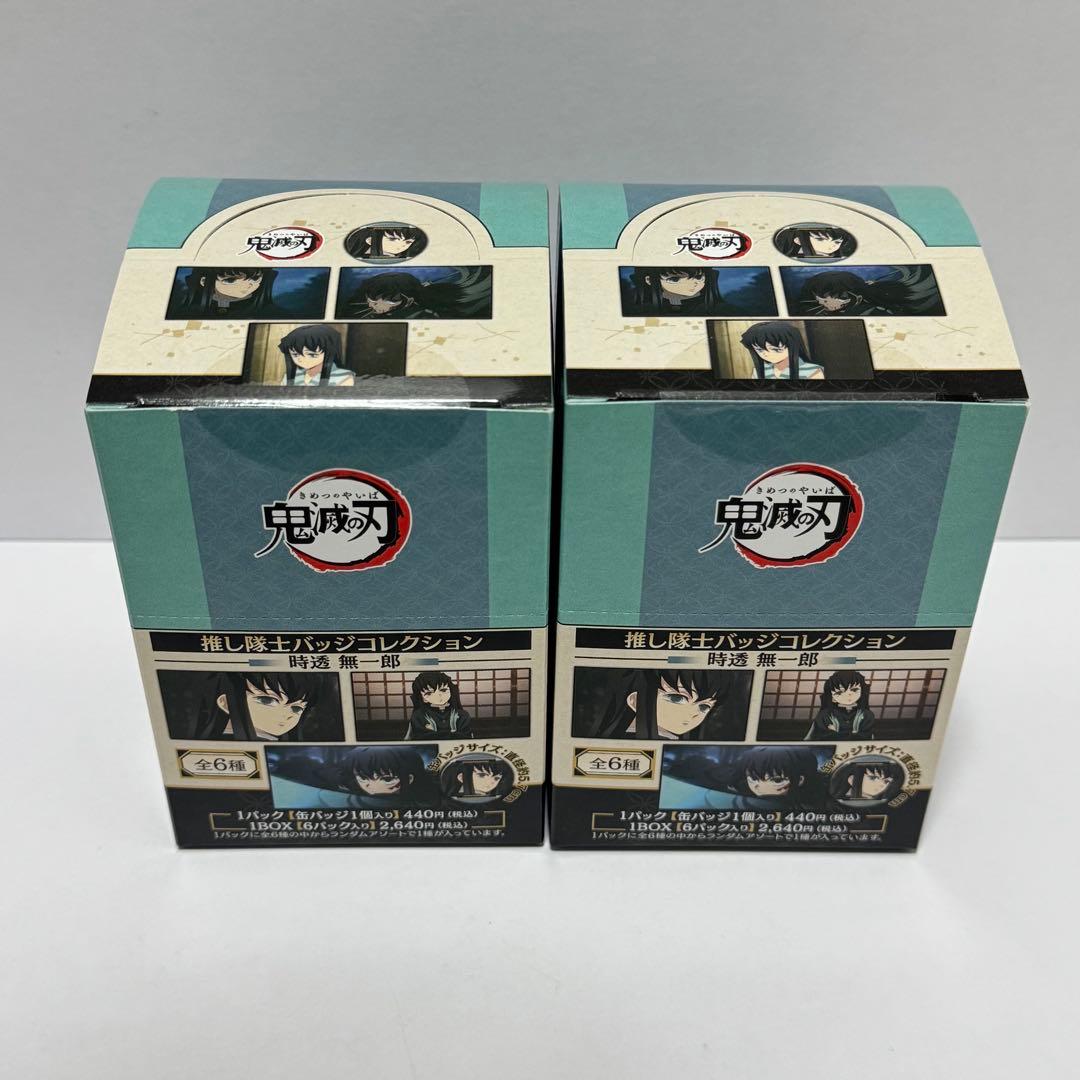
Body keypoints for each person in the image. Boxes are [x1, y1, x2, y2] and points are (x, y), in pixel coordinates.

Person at [739, 321, 823, 380]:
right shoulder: (760, 370)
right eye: (760, 350)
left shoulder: (812, 370)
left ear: (792, 346)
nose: (766, 353)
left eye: (776, 349)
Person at [805, 671, 876, 740]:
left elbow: (866, 736)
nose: (849, 694)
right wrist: (853, 734)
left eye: (854, 690)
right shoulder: (825, 715)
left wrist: (836, 733)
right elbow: (823, 736)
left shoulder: (867, 714)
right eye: (840, 692)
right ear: (832, 697)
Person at [406, 672, 473, 739]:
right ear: (423, 698)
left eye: (443, 690)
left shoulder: (462, 715)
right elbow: (421, 738)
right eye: (429, 693)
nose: (438, 695)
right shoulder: (418, 716)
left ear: (451, 691)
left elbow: (466, 737)